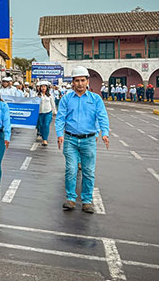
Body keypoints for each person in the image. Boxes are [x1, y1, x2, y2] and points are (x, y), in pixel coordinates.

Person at [55, 66, 109, 214]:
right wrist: (59, 134)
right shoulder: (66, 99)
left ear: (87, 81)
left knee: (88, 171)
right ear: (73, 82)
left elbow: (102, 116)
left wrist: (105, 133)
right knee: (71, 169)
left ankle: (86, 201)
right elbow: (60, 118)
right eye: (77, 80)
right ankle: (71, 199)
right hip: (70, 139)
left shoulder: (96, 99)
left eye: (82, 80)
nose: (79, 83)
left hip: (89, 140)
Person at [37, 81, 57, 146]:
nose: (43, 88)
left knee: (46, 125)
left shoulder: (50, 95)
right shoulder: (37, 95)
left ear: (47, 88)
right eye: (42, 86)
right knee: (41, 125)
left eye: (44, 86)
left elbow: (53, 103)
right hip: (40, 113)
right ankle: (43, 137)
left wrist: (54, 111)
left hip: (48, 112)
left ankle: (45, 140)